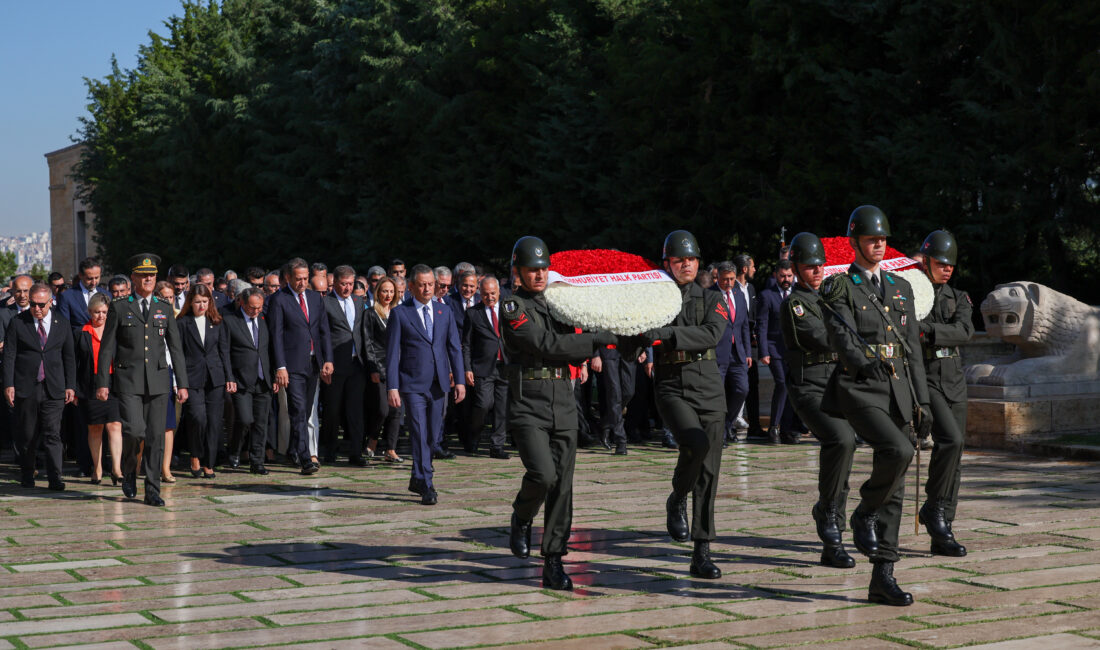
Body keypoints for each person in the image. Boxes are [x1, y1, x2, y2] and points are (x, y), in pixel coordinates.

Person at [821, 206, 933, 606]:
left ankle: (883, 575)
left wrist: (923, 401)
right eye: (871, 239)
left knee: (899, 484)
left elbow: (913, 353)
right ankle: (863, 512)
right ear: (854, 242)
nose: (879, 244)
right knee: (898, 451)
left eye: (883, 238)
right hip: (861, 387)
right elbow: (840, 334)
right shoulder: (839, 286)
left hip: (899, 389)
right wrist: (861, 360)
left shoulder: (901, 288)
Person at [502, 236, 616, 590]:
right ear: (517, 271)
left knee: (563, 487)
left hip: (563, 401)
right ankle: (522, 515)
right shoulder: (511, 306)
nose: (538, 275)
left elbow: (573, 343)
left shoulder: (560, 303)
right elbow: (544, 344)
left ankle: (553, 561)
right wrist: (596, 340)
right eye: (531, 269)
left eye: (543, 269)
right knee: (543, 474)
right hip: (529, 403)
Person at [643, 231, 727, 580]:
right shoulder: (652, 299)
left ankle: (701, 550)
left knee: (709, 473)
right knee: (694, 444)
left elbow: (712, 334)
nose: (686, 265)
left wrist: (667, 335)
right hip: (671, 384)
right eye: (679, 260)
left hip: (708, 386)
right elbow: (638, 330)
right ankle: (678, 495)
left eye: (691, 260)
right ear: (668, 264)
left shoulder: (711, 298)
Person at [779, 233, 858, 569]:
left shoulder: (832, 298)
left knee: (847, 447)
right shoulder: (795, 303)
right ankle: (829, 515)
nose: (817, 271)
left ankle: (833, 529)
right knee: (840, 439)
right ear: (795, 268)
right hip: (809, 386)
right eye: (810, 266)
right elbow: (823, 337)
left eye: (820, 266)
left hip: (838, 384)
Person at [96, 254, 190, 507]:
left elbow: (175, 347)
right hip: (128, 380)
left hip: (159, 380)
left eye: (152, 275)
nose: (148, 278)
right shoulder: (120, 306)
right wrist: (102, 382)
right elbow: (107, 348)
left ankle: (152, 489)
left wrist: (182, 383)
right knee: (135, 431)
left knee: (156, 436)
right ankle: (128, 470)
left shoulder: (163, 306)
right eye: (143, 274)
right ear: (134, 278)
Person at [386, 264, 466, 506]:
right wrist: (392, 386)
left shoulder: (445, 313)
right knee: (419, 434)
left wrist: (460, 380)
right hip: (412, 384)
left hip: (439, 383)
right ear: (411, 286)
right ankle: (427, 483)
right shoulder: (401, 314)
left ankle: (417, 476)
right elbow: (392, 353)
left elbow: (454, 348)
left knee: (432, 437)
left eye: (430, 284)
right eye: (421, 284)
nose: (427, 288)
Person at [917, 230, 973, 557]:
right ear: (927, 262)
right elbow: (911, 330)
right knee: (950, 441)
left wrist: (932, 332)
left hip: (954, 378)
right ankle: (934, 510)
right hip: (928, 377)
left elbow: (964, 331)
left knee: (956, 451)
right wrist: (933, 333)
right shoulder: (912, 295)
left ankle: (943, 527)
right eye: (941, 263)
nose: (947, 269)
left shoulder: (959, 297)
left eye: (951, 264)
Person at [4, 283, 76, 490]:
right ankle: (27, 474)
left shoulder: (61, 323)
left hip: (53, 386)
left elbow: (69, 356)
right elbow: (9, 354)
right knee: (28, 434)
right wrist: (9, 384)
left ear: (51, 302)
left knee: (53, 433)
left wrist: (70, 385)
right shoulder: (18, 322)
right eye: (33, 304)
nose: (36, 309)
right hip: (27, 386)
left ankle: (55, 477)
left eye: (41, 305)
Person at [268, 257, 334, 474]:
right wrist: (280, 366)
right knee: (297, 409)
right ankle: (306, 459)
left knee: (305, 412)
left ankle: (293, 450)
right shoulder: (280, 299)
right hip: (292, 364)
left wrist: (327, 360)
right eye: (298, 279)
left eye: (305, 278)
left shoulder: (315, 298)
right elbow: (276, 335)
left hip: (313, 363)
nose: (302, 283)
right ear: (288, 278)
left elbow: (324, 331)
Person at [178, 284, 233, 479]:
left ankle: (209, 462)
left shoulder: (217, 322)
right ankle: (195, 455)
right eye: (197, 302)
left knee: (214, 422)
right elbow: (179, 353)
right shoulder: (183, 322)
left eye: (204, 302)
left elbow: (224, 351)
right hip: (192, 377)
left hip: (215, 377)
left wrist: (229, 378)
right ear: (190, 303)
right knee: (198, 417)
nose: (201, 306)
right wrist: (180, 382)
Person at [321, 265, 373, 466]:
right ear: (335, 283)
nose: (347, 288)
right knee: (333, 409)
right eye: (343, 284)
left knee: (355, 409)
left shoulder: (359, 301)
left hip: (356, 363)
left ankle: (355, 452)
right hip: (335, 364)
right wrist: (326, 361)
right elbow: (323, 334)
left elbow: (362, 331)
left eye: (350, 284)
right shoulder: (326, 303)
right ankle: (330, 450)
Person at [224, 287, 278, 474]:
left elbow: (270, 349)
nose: (256, 311)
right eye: (252, 308)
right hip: (241, 379)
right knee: (245, 419)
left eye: (259, 307)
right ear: (242, 303)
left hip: (263, 379)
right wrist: (229, 377)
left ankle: (257, 462)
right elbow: (225, 352)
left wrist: (274, 375)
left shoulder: (264, 320)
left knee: (261, 422)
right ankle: (235, 449)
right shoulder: (231, 321)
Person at [75, 293, 123, 486]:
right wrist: (75, 389)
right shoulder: (81, 333)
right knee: (95, 428)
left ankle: (117, 469)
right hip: (90, 384)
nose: (101, 316)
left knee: (115, 425)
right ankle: (97, 467)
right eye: (97, 312)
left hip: (113, 383)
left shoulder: (116, 332)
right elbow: (75, 363)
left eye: (104, 312)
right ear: (89, 312)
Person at [461, 275, 509, 459]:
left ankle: (497, 446)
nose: (490, 297)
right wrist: (467, 368)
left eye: (493, 293)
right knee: (483, 404)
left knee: (502, 408)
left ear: (499, 292)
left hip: (505, 365)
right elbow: (466, 344)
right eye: (486, 294)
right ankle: (473, 436)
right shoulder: (473, 313)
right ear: (480, 293)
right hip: (482, 367)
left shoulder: (507, 310)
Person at [362, 276, 402, 463]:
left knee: (396, 410)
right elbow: (368, 343)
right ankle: (373, 439)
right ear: (378, 292)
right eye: (385, 290)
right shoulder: (370, 313)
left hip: (397, 366)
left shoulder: (399, 312)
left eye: (391, 291)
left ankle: (391, 449)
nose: (388, 294)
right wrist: (373, 368)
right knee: (382, 409)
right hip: (379, 366)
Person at [756, 259, 796, 444]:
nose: (786, 279)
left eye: (789, 276)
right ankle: (773, 427)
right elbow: (762, 326)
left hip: (793, 350)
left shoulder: (797, 293)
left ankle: (787, 429)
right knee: (781, 383)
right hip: (774, 348)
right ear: (775, 276)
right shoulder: (767, 296)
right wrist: (763, 352)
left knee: (791, 387)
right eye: (782, 276)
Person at [713, 261, 752, 443]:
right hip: (718, 352)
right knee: (718, 393)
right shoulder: (710, 295)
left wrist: (748, 353)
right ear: (718, 277)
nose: (728, 283)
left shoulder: (738, 294)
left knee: (742, 389)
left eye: (731, 279)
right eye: (724, 279)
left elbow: (744, 326)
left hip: (738, 352)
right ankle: (719, 431)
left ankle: (728, 424)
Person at [155, 281, 181, 483]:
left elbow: (176, 352)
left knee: (168, 425)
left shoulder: (178, 317)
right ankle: (141, 463)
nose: (168, 301)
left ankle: (166, 468)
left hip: (168, 373)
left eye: (170, 297)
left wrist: (177, 380)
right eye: (164, 297)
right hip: (150, 372)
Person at [57, 257, 109, 330]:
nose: (94, 282)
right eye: (89, 279)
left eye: (97, 278)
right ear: (80, 275)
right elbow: (64, 327)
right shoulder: (67, 297)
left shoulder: (107, 295)